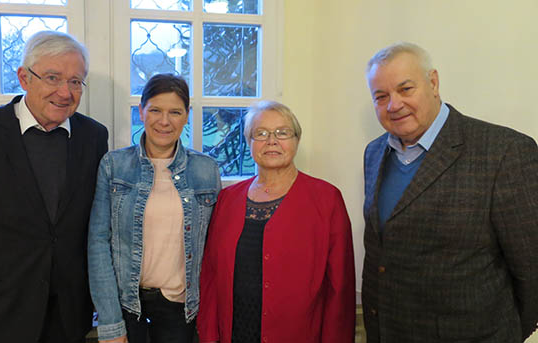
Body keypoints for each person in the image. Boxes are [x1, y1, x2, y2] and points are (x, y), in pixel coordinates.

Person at [0, 31, 108, 343]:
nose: (65, 91)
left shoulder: (94, 137)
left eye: (75, 81)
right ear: (24, 78)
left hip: (69, 317)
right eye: (53, 77)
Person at [362, 42, 538, 342]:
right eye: (381, 96)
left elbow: (530, 267)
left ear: (433, 83)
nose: (394, 105)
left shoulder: (505, 152)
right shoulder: (375, 152)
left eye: (405, 89)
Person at [197, 100, 356, 343]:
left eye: (282, 133)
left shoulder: (327, 199)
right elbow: (210, 275)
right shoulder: (228, 199)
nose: (272, 141)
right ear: (249, 142)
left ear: (296, 140)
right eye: (261, 133)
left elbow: (340, 288)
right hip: (235, 334)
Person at [88, 73, 221, 343]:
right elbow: (98, 244)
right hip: (127, 306)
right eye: (156, 110)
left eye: (175, 112)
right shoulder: (114, 166)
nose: (164, 121)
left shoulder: (206, 169)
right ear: (141, 111)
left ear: (186, 116)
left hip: (181, 309)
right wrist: (111, 322)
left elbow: (214, 248)